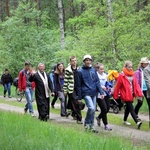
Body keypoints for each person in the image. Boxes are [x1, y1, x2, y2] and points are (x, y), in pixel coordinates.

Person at [77, 55, 104, 133]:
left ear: (91, 61)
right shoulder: (80, 71)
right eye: (86, 60)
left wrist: (101, 92)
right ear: (84, 61)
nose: (88, 61)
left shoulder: (93, 70)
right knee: (91, 108)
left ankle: (92, 126)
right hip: (86, 92)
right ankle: (86, 122)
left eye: (89, 60)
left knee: (93, 111)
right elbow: (78, 85)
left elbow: (97, 82)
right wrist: (79, 97)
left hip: (94, 92)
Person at [113, 60, 143, 129]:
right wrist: (115, 95)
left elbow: (136, 84)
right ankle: (137, 122)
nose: (130, 68)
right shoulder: (122, 75)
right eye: (129, 67)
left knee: (128, 108)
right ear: (125, 67)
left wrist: (139, 93)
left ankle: (124, 120)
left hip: (132, 93)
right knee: (131, 108)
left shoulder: (132, 74)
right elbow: (118, 86)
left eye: (131, 67)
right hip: (125, 94)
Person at [63, 56, 83, 124]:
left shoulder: (79, 69)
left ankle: (73, 113)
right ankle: (79, 118)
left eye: (75, 60)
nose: (74, 62)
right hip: (71, 88)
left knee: (78, 103)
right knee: (75, 103)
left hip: (78, 88)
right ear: (70, 62)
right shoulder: (68, 70)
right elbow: (66, 80)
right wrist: (65, 90)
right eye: (73, 61)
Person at [95, 63, 112, 131]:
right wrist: (101, 87)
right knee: (104, 109)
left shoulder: (106, 75)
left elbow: (108, 83)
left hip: (106, 94)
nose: (102, 70)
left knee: (107, 109)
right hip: (99, 95)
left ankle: (99, 117)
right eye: (100, 69)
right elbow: (96, 84)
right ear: (98, 69)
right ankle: (106, 125)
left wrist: (109, 87)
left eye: (103, 69)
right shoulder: (96, 75)